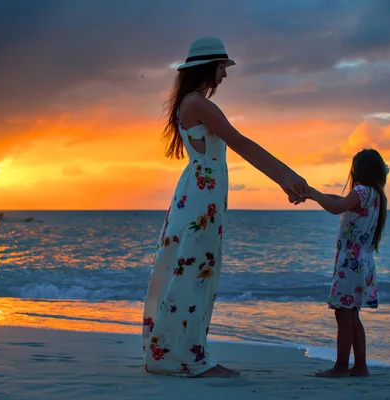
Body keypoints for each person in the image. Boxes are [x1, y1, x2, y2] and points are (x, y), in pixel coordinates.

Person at [142, 36, 309, 378]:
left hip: (201, 195)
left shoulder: (192, 102)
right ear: (208, 67)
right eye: (222, 68)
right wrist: (286, 176)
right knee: (196, 271)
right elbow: (241, 143)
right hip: (202, 199)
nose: (225, 76)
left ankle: (185, 352)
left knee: (196, 270)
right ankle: (190, 358)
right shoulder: (197, 103)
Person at [296, 148, 388, 378]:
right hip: (363, 262)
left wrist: (315, 195)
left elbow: (336, 207)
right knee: (352, 314)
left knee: (343, 314)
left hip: (351, 263)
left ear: (356, 170)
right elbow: (341, 201)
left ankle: (340, 366)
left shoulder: (361, 191)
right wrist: (313, 193)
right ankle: (360, 366)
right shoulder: (375, 194)